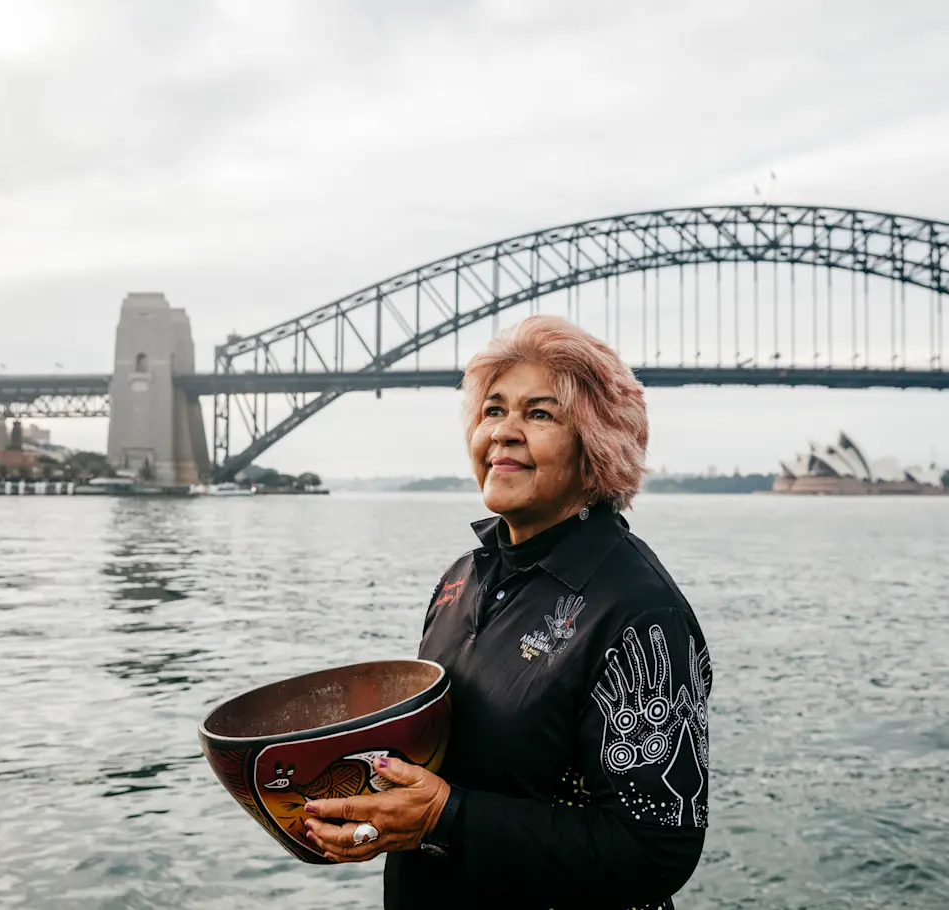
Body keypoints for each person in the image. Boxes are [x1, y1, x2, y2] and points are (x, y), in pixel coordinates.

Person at [304, 315, 712, 910]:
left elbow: (656, 850)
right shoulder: (460, 581)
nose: (504, 432)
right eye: (493, 411)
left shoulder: (640, 613)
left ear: (596, 448)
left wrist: (446, 819)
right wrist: (368, 810)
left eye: (539, 414)